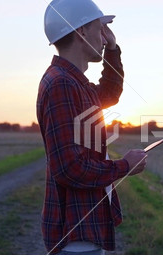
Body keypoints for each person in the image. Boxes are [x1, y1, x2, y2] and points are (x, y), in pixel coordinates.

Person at [37, 0, 147, 255]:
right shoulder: (61, 84)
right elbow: (69, 168)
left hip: (85, 230)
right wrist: (125, 166)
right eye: (100, 29)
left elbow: (109, 92)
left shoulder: (75, 83)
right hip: (75, 237)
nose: (104, 35)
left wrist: (112, 49)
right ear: (82, 32)